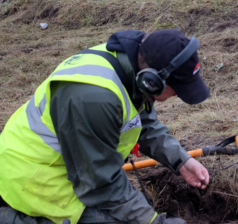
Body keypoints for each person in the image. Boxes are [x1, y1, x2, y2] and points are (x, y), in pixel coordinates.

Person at [0, 29, 211, 224]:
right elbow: (101, 182)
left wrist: (181, 161)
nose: (177, 96)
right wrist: (154, 221)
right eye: (178, 89)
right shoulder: (94, 98)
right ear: (152, 81)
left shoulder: (130, 67)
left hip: (79, 168)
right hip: (33, 180)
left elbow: (142, 122)